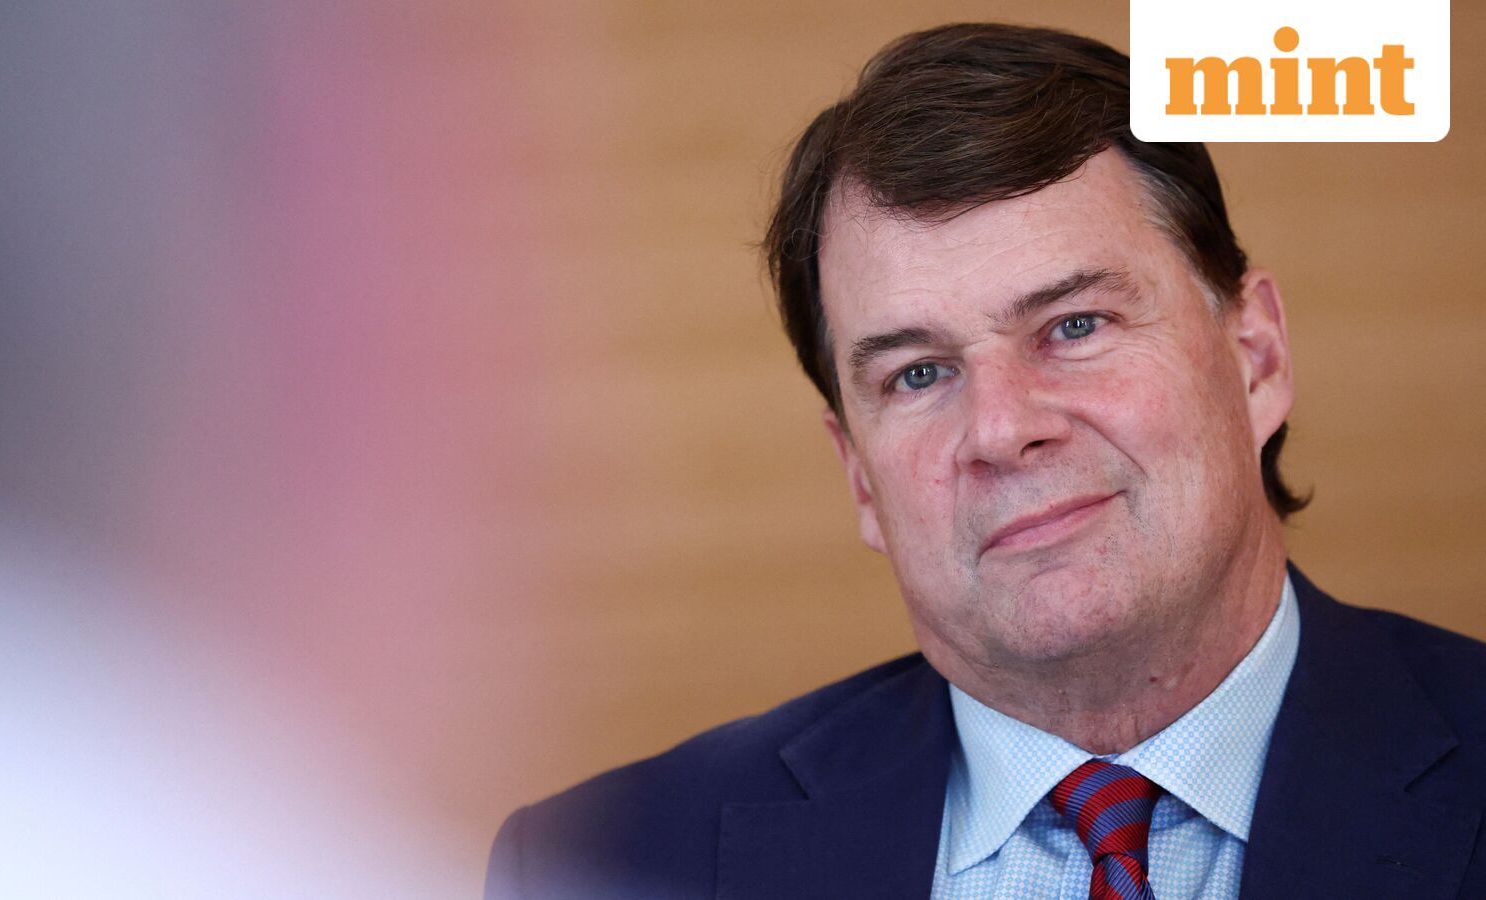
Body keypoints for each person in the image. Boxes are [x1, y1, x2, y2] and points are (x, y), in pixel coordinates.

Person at [485, 23, 1486, 899]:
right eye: (918, 375)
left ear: (1255, 357)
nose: (1001, 430)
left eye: (1075, 324)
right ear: (859, 477)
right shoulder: (603, 869)